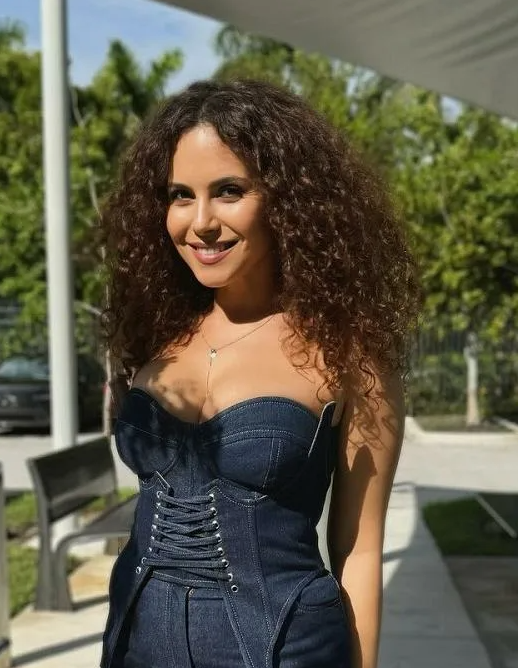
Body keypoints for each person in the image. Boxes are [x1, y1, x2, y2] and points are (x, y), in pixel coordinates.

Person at [100, 79, 422, 668]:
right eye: (179, 195)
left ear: (286, 199)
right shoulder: (157, 337)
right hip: (137, 642)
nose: (200, 222)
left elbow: (358, 549)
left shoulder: (348, 354)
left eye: (228, 191)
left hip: (284, 648)